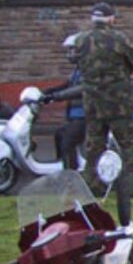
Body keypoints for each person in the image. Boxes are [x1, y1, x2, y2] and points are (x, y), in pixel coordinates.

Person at [74, 3, 133, 225]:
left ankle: (91, 184)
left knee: (94, 145)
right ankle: (131, 185)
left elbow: (75, 62)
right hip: (118, 103)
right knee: (127, 144)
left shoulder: (81, 40)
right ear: (111, 19)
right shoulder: (119, 39)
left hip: (93, 103)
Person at [41, 34, 86, 169]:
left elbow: (79, 89)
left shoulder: (88, 69)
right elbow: (68, 85)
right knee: (60, 134)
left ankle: (71, 174)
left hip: (86, 115)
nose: (70, 54)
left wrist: (57, 96)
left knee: (68, 140)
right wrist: (48, 92)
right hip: (76, 114)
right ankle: (65, 167)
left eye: (73, 50)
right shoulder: (78, 70)